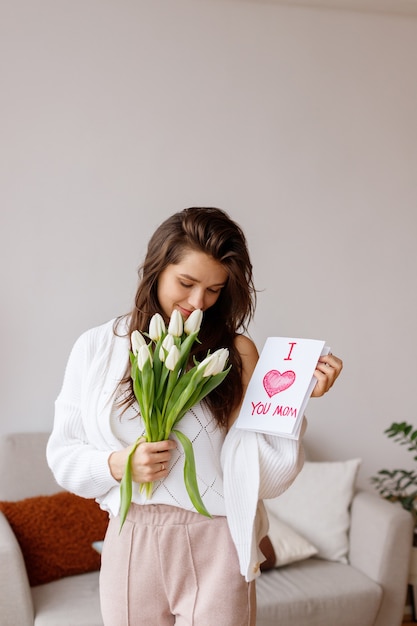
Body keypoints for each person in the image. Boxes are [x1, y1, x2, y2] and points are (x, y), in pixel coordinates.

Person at [47, 207, 342, 626]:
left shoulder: (236, 354)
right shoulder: (97, 348)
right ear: (155, 270)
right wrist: (120, 464)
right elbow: (63, 456)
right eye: (186, 283)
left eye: (214, 290)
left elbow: (269, 479)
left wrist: (291, 407)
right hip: (132, 538)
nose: (197, 302)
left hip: (219, 541)